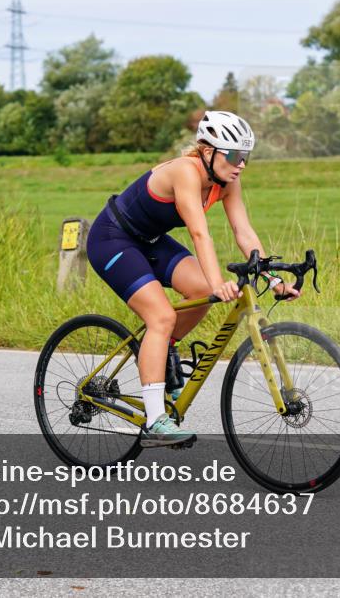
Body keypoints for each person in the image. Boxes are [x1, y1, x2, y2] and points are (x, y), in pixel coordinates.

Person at [86, 111, 300, 447]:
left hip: (151, 241)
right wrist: (218, 283)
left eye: (246, 156)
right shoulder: (185, 171)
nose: (241, 164)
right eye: (234, 155)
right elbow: (200, 233)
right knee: (161, 316)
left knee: (199, 291)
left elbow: (243, 231)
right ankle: (155, 421)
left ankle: (164, 350)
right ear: (207, 150)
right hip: (112, 239)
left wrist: (273, 279)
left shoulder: (228, 180)